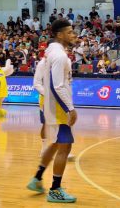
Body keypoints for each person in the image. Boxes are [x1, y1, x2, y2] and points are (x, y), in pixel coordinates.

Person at [27, 19, 78, 203]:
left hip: (52, 104)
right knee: (65, 146)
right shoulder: (59, 56)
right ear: (59, 35)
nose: (74, 35)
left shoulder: (53, 53)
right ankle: (55, 190)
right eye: (70, 32)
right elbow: (57, 86)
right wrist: (70, 109)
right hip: (58, 106)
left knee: (57, 144)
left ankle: (37, 178)